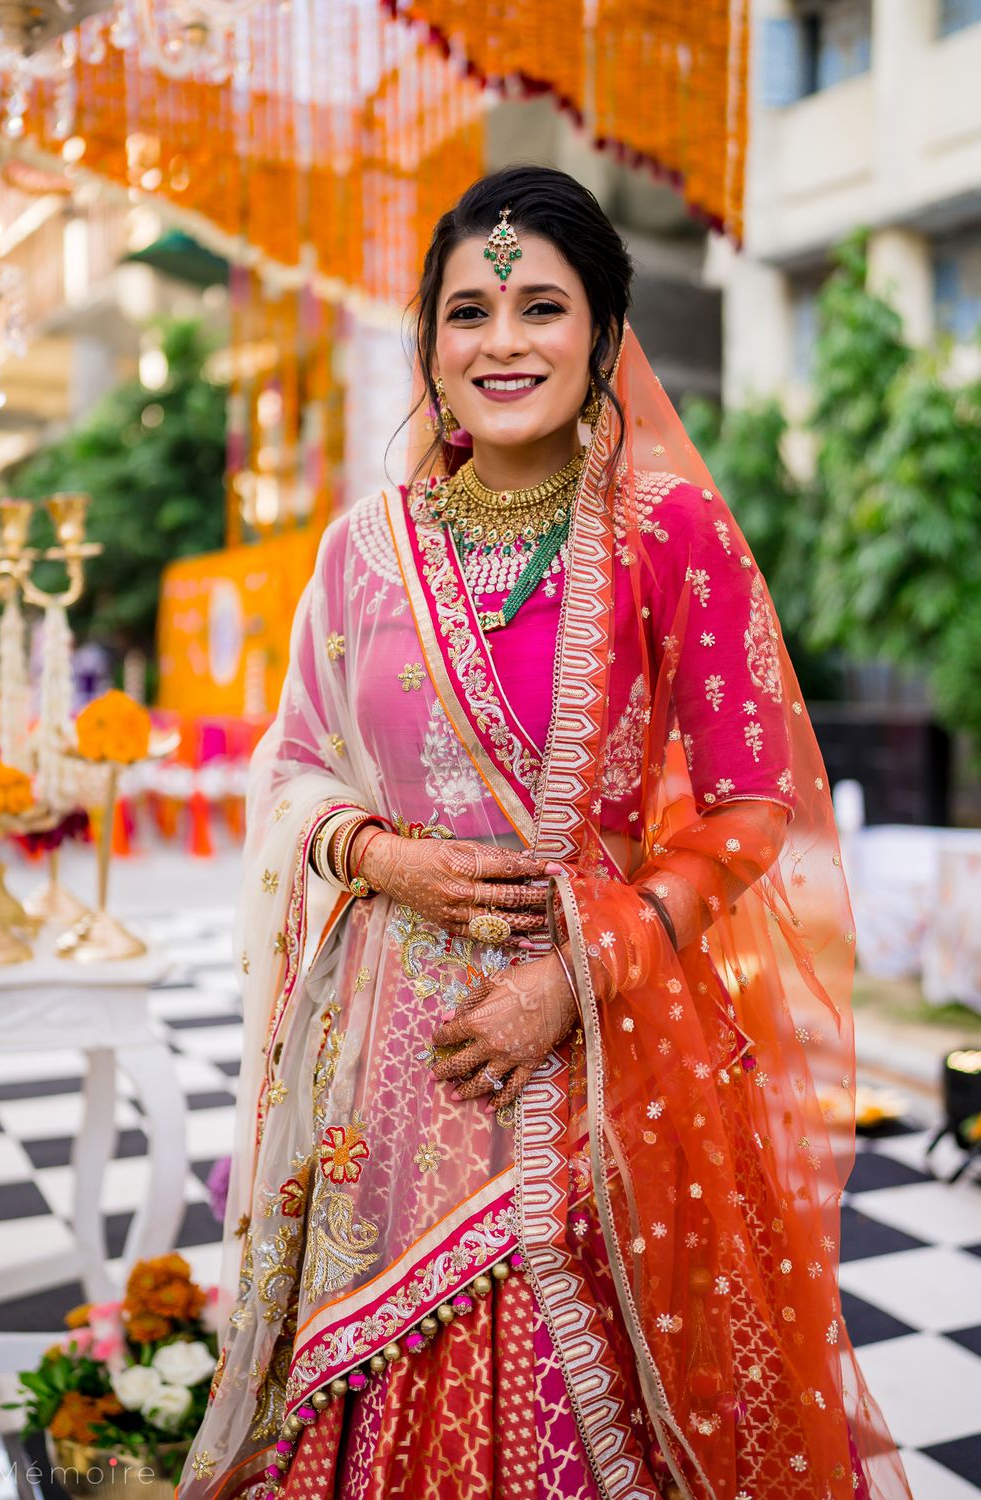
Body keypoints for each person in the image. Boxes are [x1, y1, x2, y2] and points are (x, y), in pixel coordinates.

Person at [179, 165, 911, 1500]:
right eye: (468, 310)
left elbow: (753, 805)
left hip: (608, 1063)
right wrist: (382, 855)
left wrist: (577, 971)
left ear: (605, 335)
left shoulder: (669, 533)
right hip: (383, 1097)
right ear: (430, 346)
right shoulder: (360, 553)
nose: (502, 340)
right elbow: (291, 773)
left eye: (540, 306)